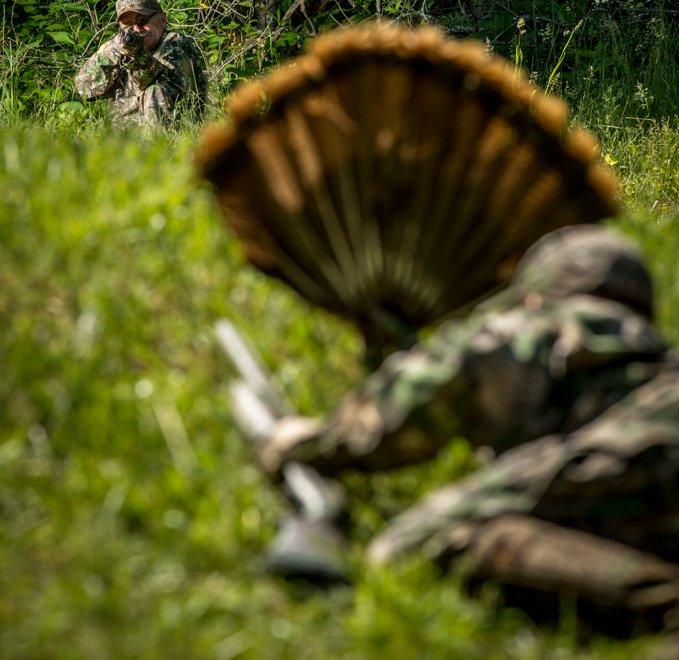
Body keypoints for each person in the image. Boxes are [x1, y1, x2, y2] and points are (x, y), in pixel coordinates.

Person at [254, 225, 679, 628]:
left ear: (534, 296)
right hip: (649, 473)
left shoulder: (560, 322)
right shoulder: (647, 355)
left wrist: (316, 441)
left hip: (650, 452)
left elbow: (436, 386)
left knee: (425, 540)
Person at [75, 0, 207, 127]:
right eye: (128, 25)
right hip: (126, 137)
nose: (137, 29)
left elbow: (150, 82)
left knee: (155, 92)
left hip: (175, 131)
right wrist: (113, 52)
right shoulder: (118, 47)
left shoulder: (176, 44)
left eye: (143, 21)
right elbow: (84, 88)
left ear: (163, 20)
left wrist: (135, 55)